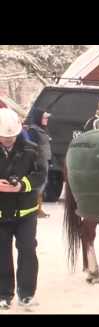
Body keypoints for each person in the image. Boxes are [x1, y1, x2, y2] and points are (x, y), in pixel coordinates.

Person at [0, 108, 47, 310]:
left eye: (11, 136)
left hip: (25, 213)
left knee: (28, 251)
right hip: (1, 213)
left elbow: (40, 174)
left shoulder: (32, 149)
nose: (8, 140)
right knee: (2, 254)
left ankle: (26, 294)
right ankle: (3, 294)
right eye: (4, 136)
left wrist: (22, 185)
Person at [27, 108, 52, 218]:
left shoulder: (42, 129)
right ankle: (34, 209)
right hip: (38, 162)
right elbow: (32, 147)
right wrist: (35, 162)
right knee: (38, 185)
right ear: (38, 118)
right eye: (44, 117)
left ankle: (39, 209)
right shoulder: (33, 130)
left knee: (42, 185)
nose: (46, 119)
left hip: (44, 160)